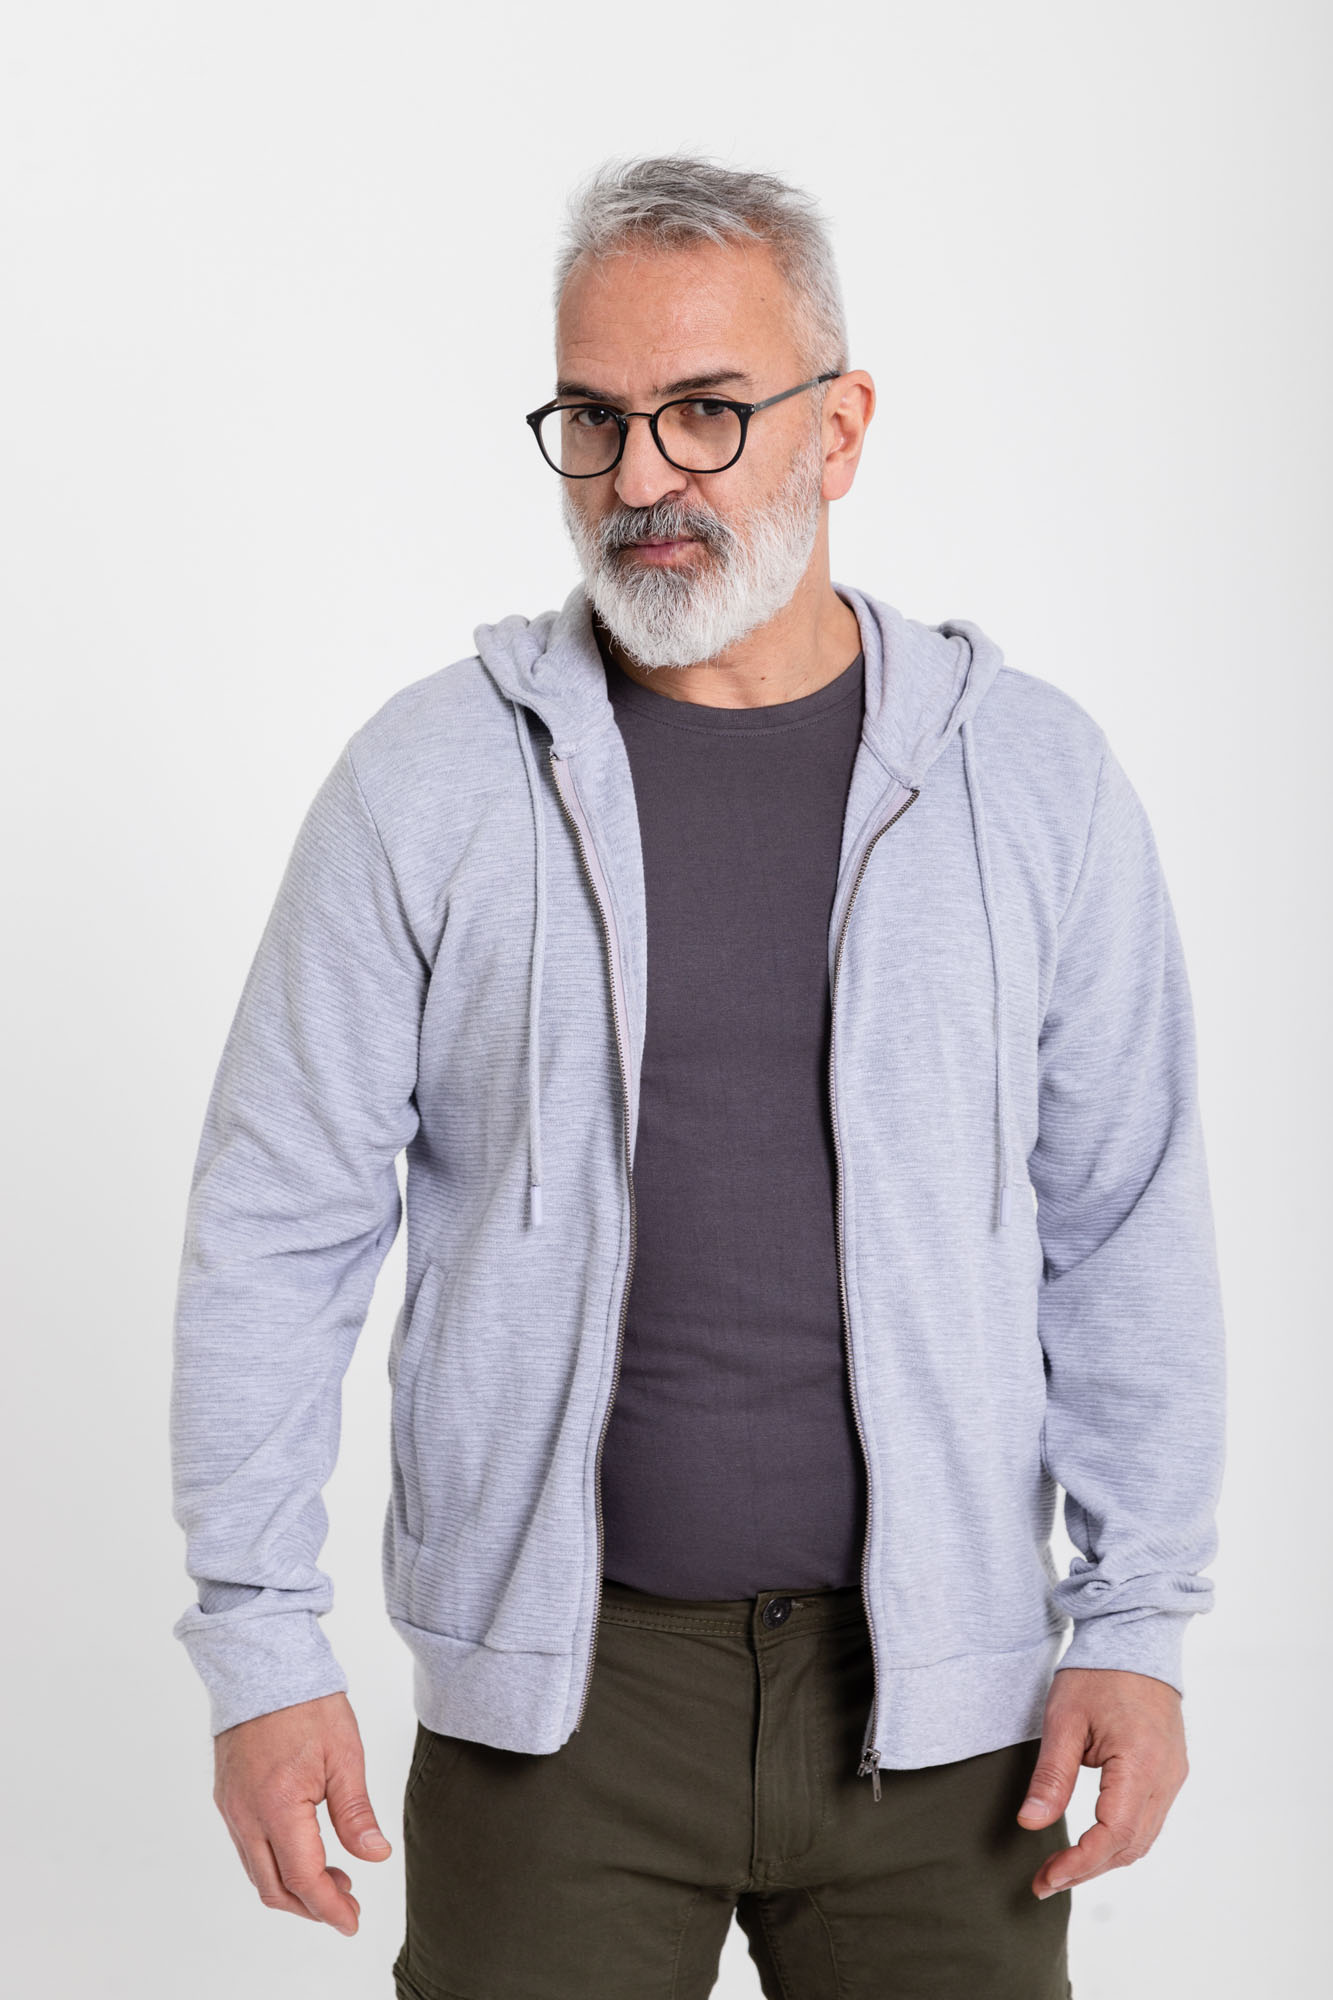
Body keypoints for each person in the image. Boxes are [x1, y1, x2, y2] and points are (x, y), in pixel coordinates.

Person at [170, 155, 1227, 2000]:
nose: (640, 475)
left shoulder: (1030, 780)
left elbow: (1122, 1219)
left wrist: (1134, 1621)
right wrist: (260, 1642)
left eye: (706, 412)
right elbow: (278, 1224)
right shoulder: (431, 782)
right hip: (559, 1709)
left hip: (949, 1711)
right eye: (592, 417)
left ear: (841, 426)